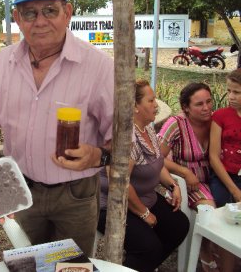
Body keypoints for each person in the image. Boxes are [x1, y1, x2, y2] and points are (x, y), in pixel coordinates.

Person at [0, 0, 114, 256]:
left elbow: (123, 139)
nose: (40, 21)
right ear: (17, 17)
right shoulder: (1, 64)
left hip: (75, 193)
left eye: (50, 10)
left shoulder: (99, 67)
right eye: (29, 12)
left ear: (68, 12)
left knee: (70, 266)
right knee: (26, 262)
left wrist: (98, 156)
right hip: (19, 188)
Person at [97, 80, 189, 272]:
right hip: (114, 205)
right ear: (134, 106)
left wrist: (172, 185)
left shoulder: (146, 128)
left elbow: (157, 163)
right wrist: (144, 214)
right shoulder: (126, 136)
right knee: (148, 248)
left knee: (179, 226)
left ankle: (138, 267)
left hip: (145, 198)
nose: (156, 104)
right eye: (151, 100)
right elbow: (120, 184)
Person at [158, 82, 221, 271]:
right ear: (186, 107)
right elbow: (156, 158)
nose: (207, 108)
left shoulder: (216, 122)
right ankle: (206, 257)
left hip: (215, 179)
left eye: (209, 102)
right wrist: (184, 172)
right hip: (188, 185)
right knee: (209, 212)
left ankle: (224, 253)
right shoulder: (176, 123)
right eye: (199, 104)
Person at [209, 68, 241, 272]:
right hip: (224, 177)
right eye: (229, 91)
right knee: (227, 220)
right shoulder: (220, 116)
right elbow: (213, 156)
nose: (230, 96)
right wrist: (235, 190)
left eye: (236, 92)